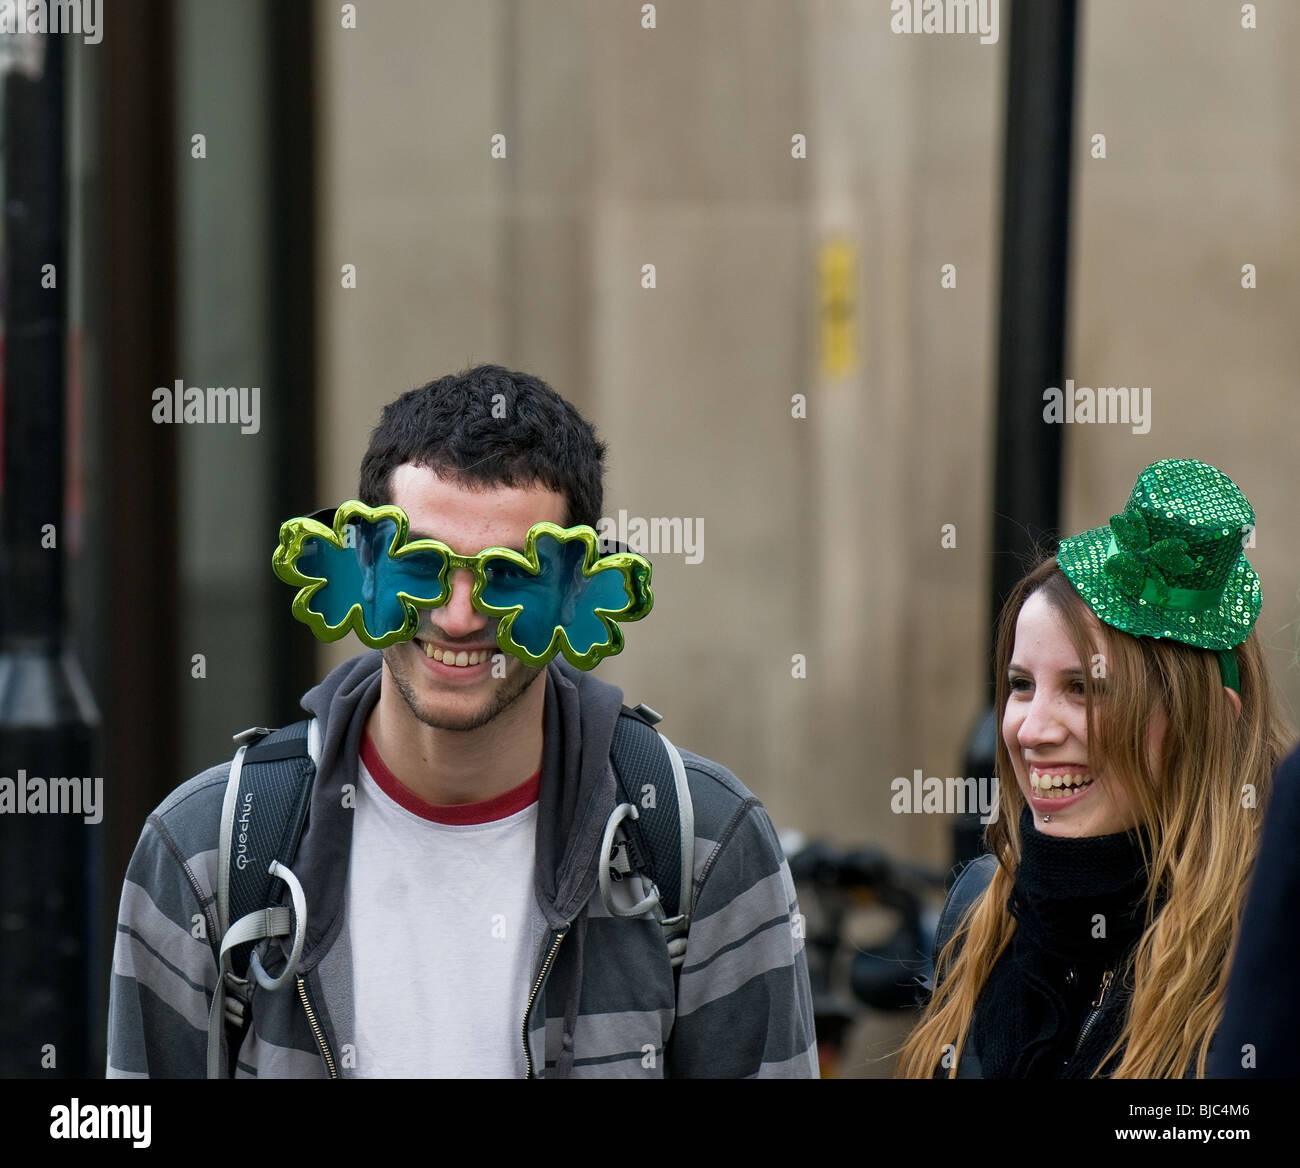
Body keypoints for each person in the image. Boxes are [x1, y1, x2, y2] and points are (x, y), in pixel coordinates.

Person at [107, 364, 818, 1078]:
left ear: (578, 595)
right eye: (422, 565)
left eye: (511, 573)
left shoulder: (702, 845)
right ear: (362, 569)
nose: (459, 616)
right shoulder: (207, 853)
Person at [897, 458, 1291, 1079]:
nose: (1032, 730)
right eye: (1021, 685)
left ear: (1211, 718)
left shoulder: (1268, 952)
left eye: (1084, 688)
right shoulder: (980, 911)